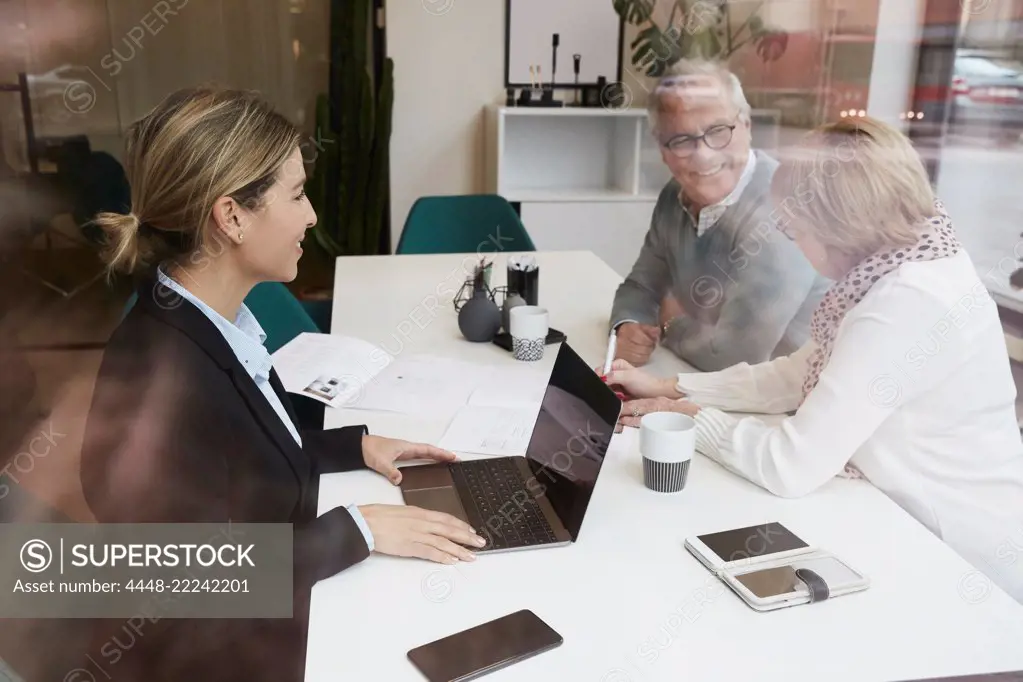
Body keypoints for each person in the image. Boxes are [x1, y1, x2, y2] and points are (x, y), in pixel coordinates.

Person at [78, 86, 487, 682]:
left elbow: (250, 428)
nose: (312, 214)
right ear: (232, 216)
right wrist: (357, 529)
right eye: (296, 194)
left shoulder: (206, 320)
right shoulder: (159, 382)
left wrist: (355, 445)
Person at [603, 115, 1023, 604]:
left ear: (834, 226)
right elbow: (800, 374)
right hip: (906, 521)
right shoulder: (907, 261)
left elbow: (790, 465)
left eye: (791, 227)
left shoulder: (907, 302)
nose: (791, 240)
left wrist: (689, 419)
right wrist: (672, 387)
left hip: (962, 560)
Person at [609, 59, 830, 371]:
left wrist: (670, 323)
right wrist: (629, 324)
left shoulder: (783, 210)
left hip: (781, 405)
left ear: (747, 126)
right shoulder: (675, 194)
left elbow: (733, 355)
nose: (704, 155)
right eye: (681, 140)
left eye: (717, 131)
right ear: (663, 150)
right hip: (698, 381)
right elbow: (642, 285)